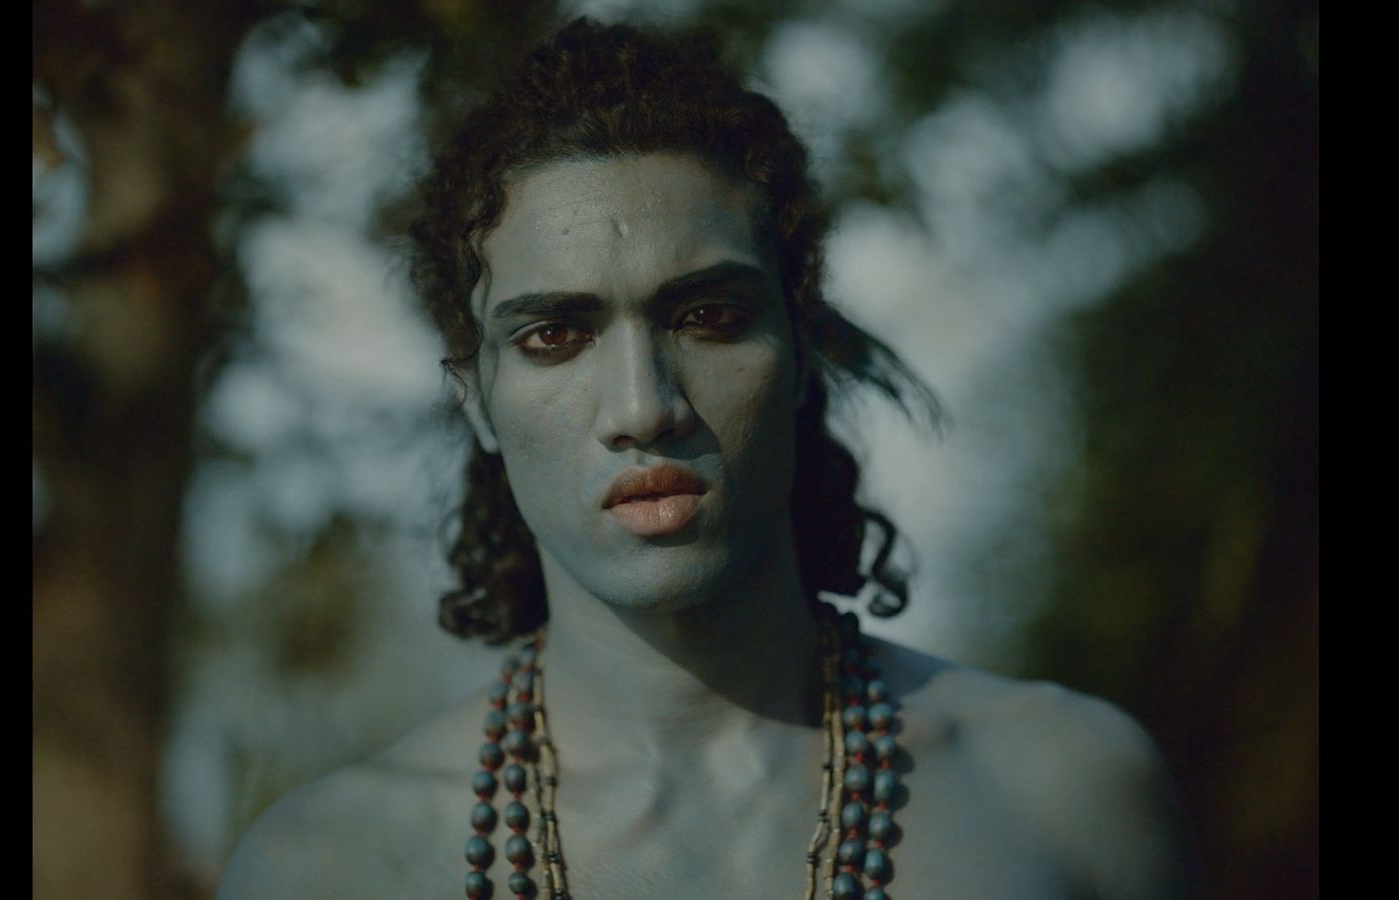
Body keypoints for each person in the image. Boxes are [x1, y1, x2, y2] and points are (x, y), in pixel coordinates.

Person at [218, 17, 1200, 900]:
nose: (644, 407)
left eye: (709, 316)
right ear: (474, 399)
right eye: (556, 336)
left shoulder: (1066, 797)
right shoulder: (326, 869)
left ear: (802, 349)